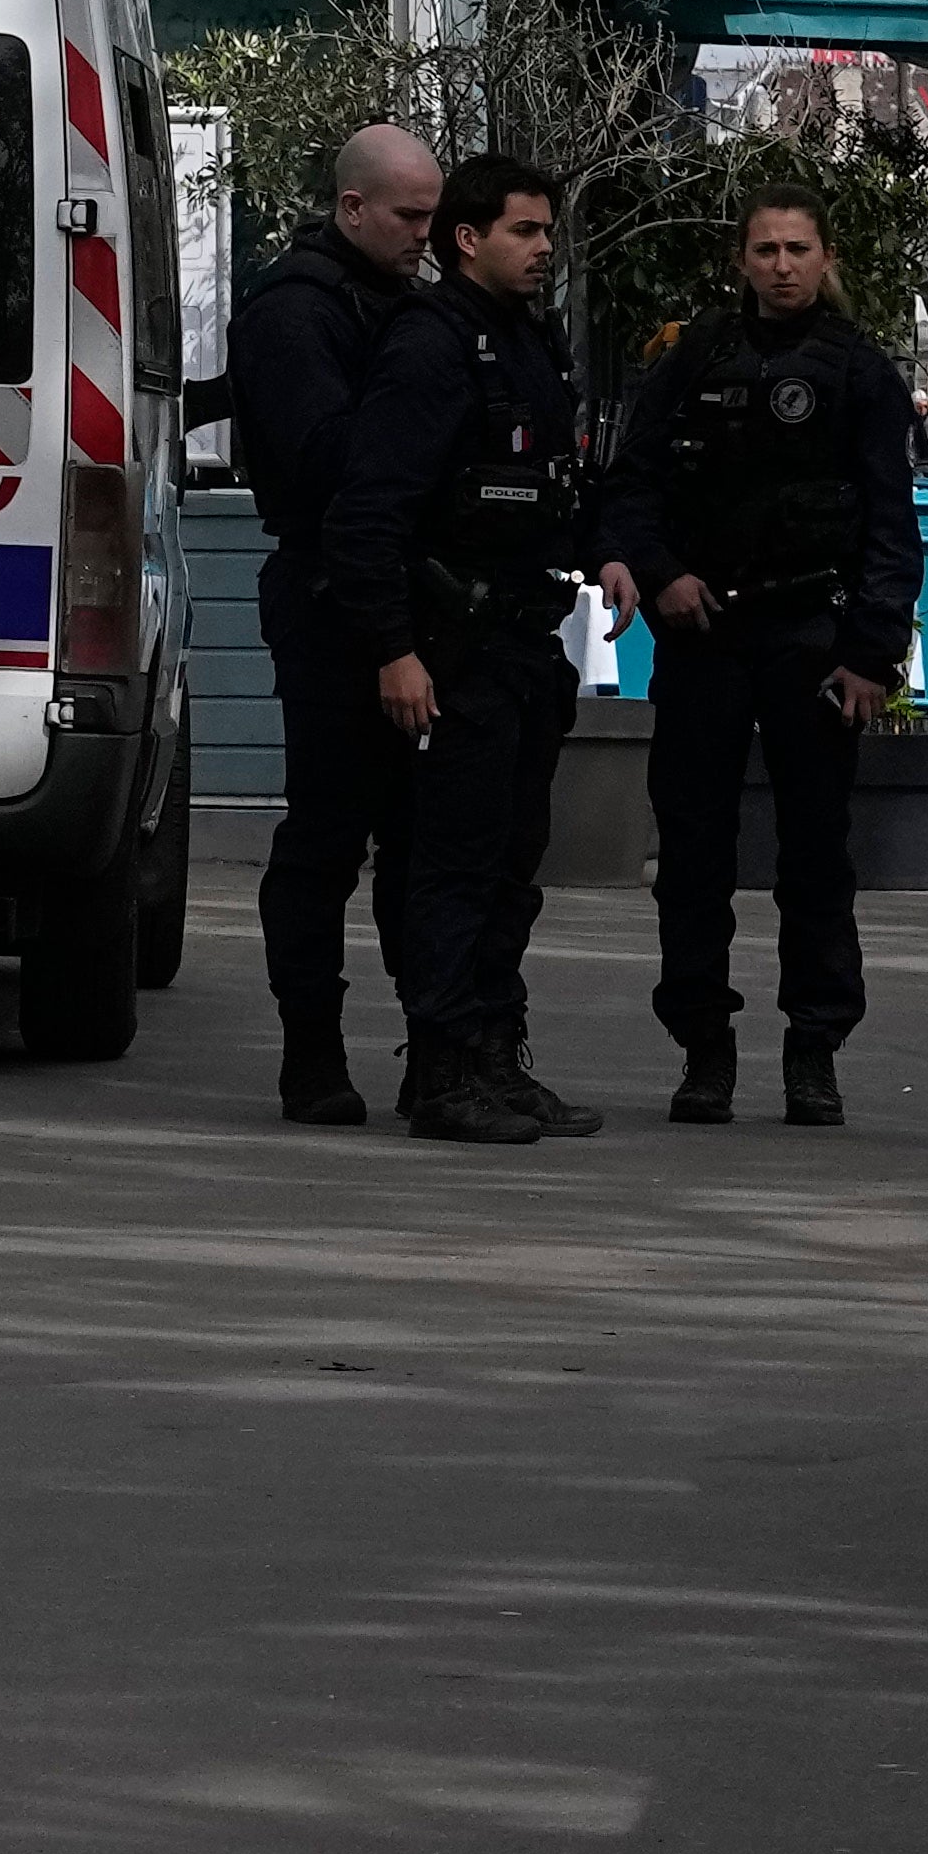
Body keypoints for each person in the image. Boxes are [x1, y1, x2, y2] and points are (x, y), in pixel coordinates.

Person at [598, 195, 921, 1128]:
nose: (782, 265)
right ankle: (704, 1047)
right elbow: (633, 484)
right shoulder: (694, 356)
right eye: (765, 249)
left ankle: (813, 1049)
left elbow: (892, 528)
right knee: (694, 851)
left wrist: (871, 654)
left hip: (811, 640)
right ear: (740, 259)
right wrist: (659, 575)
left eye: (799, 249)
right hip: (706, 636)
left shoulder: (860, 372)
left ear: (827, 258)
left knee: (815, 856)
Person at [331, 152, 595, 1146]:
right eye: (524, 231)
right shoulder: (432, 346)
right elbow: (373, 513)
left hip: (525, 642)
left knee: (510, 868)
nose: (542, 249)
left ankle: (490, 1050)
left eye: (547, 231)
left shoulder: (528, 341)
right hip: (455, 648)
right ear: (467, 239)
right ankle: (441, 1067)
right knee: (451, 865)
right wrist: (396, 651)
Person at [236, 123, 443, 1126]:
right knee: (329, 834)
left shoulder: (402, 306)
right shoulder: (295, 312)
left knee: (416, 839)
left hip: (405, 590)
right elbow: (327, 459)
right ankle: (311, 1049)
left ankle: (430, 1044)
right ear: (352, 207)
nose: (424, 235)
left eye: (434, 217)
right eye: (408, 216)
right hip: (328, 595)